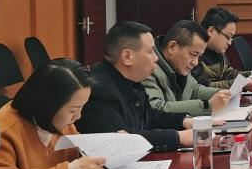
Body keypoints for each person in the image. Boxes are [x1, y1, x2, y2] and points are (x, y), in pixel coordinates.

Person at [78, 21, 194, 151]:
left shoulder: (131, 80)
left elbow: (148, 116)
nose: (156, 58)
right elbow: (119, 140)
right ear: (127, 56)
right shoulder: (98, 90)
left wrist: (183, 121)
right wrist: (177, 137)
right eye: (150, 51)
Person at [146, 19, 233, 118]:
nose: (195, 63)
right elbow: (155, 109)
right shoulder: (146, 69)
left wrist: (221, 94)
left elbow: (194, 90)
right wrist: (207, 106)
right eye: (193, 54)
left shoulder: (178, 65)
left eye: (199, 56)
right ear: (172, 47)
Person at [195, 6, 243, 89]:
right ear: (211, 31)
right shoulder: (192, 53)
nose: (230, 43)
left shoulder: (216, 51)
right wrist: (242, 84)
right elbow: (202, 87)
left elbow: (228, 73)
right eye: (228, 37)